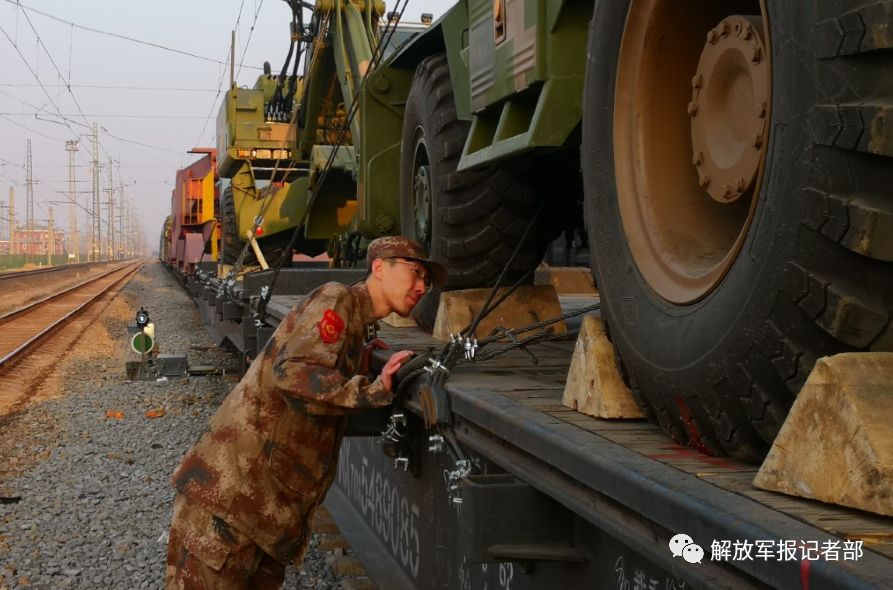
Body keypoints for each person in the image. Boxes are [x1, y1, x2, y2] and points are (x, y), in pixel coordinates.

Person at [165, 236, 446, 589]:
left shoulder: (356, 323)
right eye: (414, 272)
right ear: (378, 268)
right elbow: (293, 376)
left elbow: (311, 369)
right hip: (229, 504)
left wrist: (354, 363)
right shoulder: (337, 298)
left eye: (427, 280)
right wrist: (375, 390)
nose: (422, 286)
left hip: (258, 515)